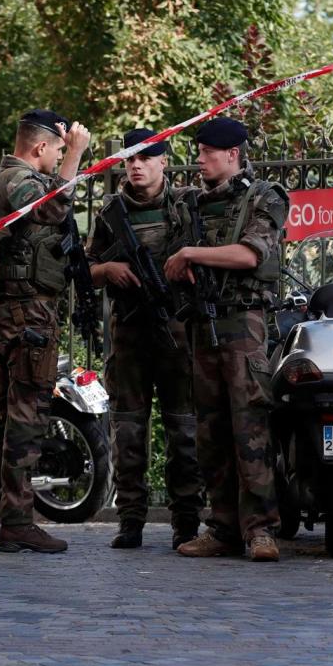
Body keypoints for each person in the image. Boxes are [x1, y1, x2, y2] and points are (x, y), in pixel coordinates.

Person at [0, 109, 90, 553]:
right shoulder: (21, 182)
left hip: (3, 312)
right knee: (27, 415)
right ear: (40, 147)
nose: (58, 157)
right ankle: (17, 519)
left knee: (4, 414)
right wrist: (76, 155)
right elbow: (53, 208)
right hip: (27, 313)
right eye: (56, 149)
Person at [163, 117, 288, 562]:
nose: (199, 160)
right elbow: (171, 262)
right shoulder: (192, 205)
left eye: (207, 152)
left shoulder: (265, 197)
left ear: (232, 154)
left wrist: (192, 253)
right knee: (210, 432)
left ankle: (261, 531)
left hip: (243, 326)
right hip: (201, 324)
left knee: (250, 428)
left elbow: (250, 253)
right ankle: (222, 527)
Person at [86, 128, 203, 550]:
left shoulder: (186, 206)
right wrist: (108, 271)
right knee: (129, 429)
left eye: (145, 158)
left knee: (184, 429)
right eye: (129, 159)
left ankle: (186, 521)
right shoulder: (111, 213)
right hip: (130, 333)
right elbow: (84, 269)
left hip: (177, 330)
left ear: (163, 162)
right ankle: (130, 519)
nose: (135, 165)